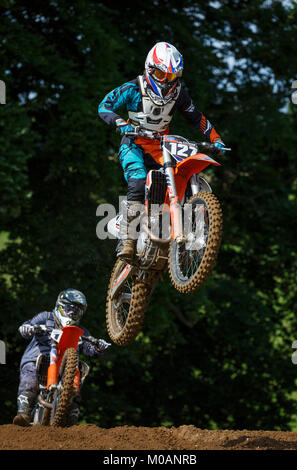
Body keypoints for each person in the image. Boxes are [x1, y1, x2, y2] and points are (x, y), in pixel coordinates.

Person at [98, 41, 227, 262]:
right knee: (138, 181)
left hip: (161, 145)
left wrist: (215, 138)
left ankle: (183, 227)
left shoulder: (179, 94)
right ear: (150, 69)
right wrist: (121, 123)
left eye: (171, 76)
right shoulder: (133, 88)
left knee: (180, 172)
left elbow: (196, 117)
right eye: (161, 74)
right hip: (134, 143)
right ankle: (127, 240)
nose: (166, 81)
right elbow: (104, 106)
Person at [13, 288, 110, 427]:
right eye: (69, 308)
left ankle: (72, 415)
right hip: (38, 358)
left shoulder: (79, 330)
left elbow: (90, 349)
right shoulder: (45, 317)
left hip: (64, 366)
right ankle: (23, 412)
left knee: (78, 374)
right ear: (60, 305)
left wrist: (99, 347)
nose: (72, 313)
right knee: (30, 375)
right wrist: (27, 328)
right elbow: (28, 325)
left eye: (77, 311)